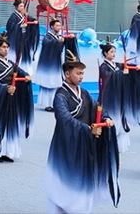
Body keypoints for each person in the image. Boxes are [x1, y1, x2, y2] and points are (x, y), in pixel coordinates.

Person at [45, 59, 120, 214]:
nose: (81, 77)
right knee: (66, 180)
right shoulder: (60, 96)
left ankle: (80, 209)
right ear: (67, 74)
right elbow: (65, 119)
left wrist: (105, 118)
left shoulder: (84, 93)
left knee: (84, 178)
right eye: (78, 73)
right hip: (66, 144)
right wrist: (88, 129)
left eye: (82, 73)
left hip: (84, 144)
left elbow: (96, 107)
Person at [0, 36, 34, 162]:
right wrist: (5, 88)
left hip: (10, 97)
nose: (6, 50)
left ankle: (5, 151)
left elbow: (21, 72)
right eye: (3, 47)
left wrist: (27, 76)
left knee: (8, 124)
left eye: (7, 47)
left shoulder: (11, 63)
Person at [98, 40, 136, 153]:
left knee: (121, 117)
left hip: (118, 97)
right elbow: (109, 77)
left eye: (115, 52)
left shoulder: (116, 65)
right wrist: (122, 74)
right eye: (111, 52)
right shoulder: (103, 67)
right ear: (105, 53)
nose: (114, 54)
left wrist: (133, 67)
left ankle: (119, 144)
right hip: (109, 98)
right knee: (112, 117)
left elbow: (126, 66)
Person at [34, 19, 66, 112]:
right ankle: (48, 104)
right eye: (57, 26)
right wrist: (57, 42)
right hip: (48, 64)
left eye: (59, 26)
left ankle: (53, 104)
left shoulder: (56, 37)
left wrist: (62, 42)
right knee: (48, 84)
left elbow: (59, 49)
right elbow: (48, 44)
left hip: (55, 63)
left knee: (55, 84)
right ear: (52, 26)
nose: (58, 28)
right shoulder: (47, 37)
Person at [5, 0, 39, 74]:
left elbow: (30, 19)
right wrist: (19, 26)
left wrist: (34, 21)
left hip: (24, 38)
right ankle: (14, 71)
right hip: (17, 39)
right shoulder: (13, 16)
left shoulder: (24, 15)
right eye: (20, 6)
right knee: (16, 55)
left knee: (24, 54)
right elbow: (10, 27)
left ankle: (24, 70)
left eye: (23, 6)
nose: (22, 8)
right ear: (16, 7)